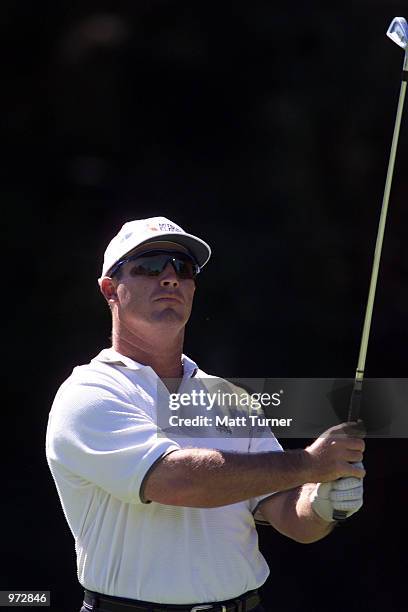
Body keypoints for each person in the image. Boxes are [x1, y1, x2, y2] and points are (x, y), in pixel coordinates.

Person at [46, 216, 366, 612]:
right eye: (148, 265)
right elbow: (177, 481)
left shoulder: (230, 398)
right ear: (111, 289)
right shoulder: (88, 393)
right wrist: (308, 464)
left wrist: (323, 501)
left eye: (182, 268)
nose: (169, 278)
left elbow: (290, 515)